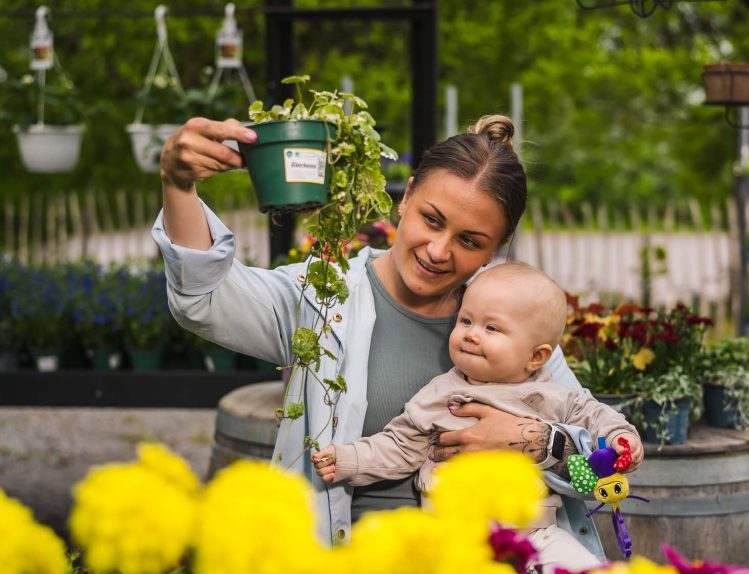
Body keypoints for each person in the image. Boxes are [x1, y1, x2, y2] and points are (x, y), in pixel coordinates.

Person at [154, 112, 607, 549]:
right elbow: (204, 299)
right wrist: (178, 183)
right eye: (432, 219)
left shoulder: (513, 335)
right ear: (406, 197)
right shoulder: (323, 299)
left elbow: (607, 479)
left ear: (499, 246)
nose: (438, 250)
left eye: (469, 241)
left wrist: (539, 442)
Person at [310, 262, 643, 574]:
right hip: (455, 537)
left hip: (535, 534)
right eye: (466, 321)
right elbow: (399, 445)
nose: (471, 333)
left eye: (492, 327)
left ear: (536, 356)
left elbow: (595, 415)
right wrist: (348, 460)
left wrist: (620, 437)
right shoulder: (441, 395)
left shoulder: (553, 394)